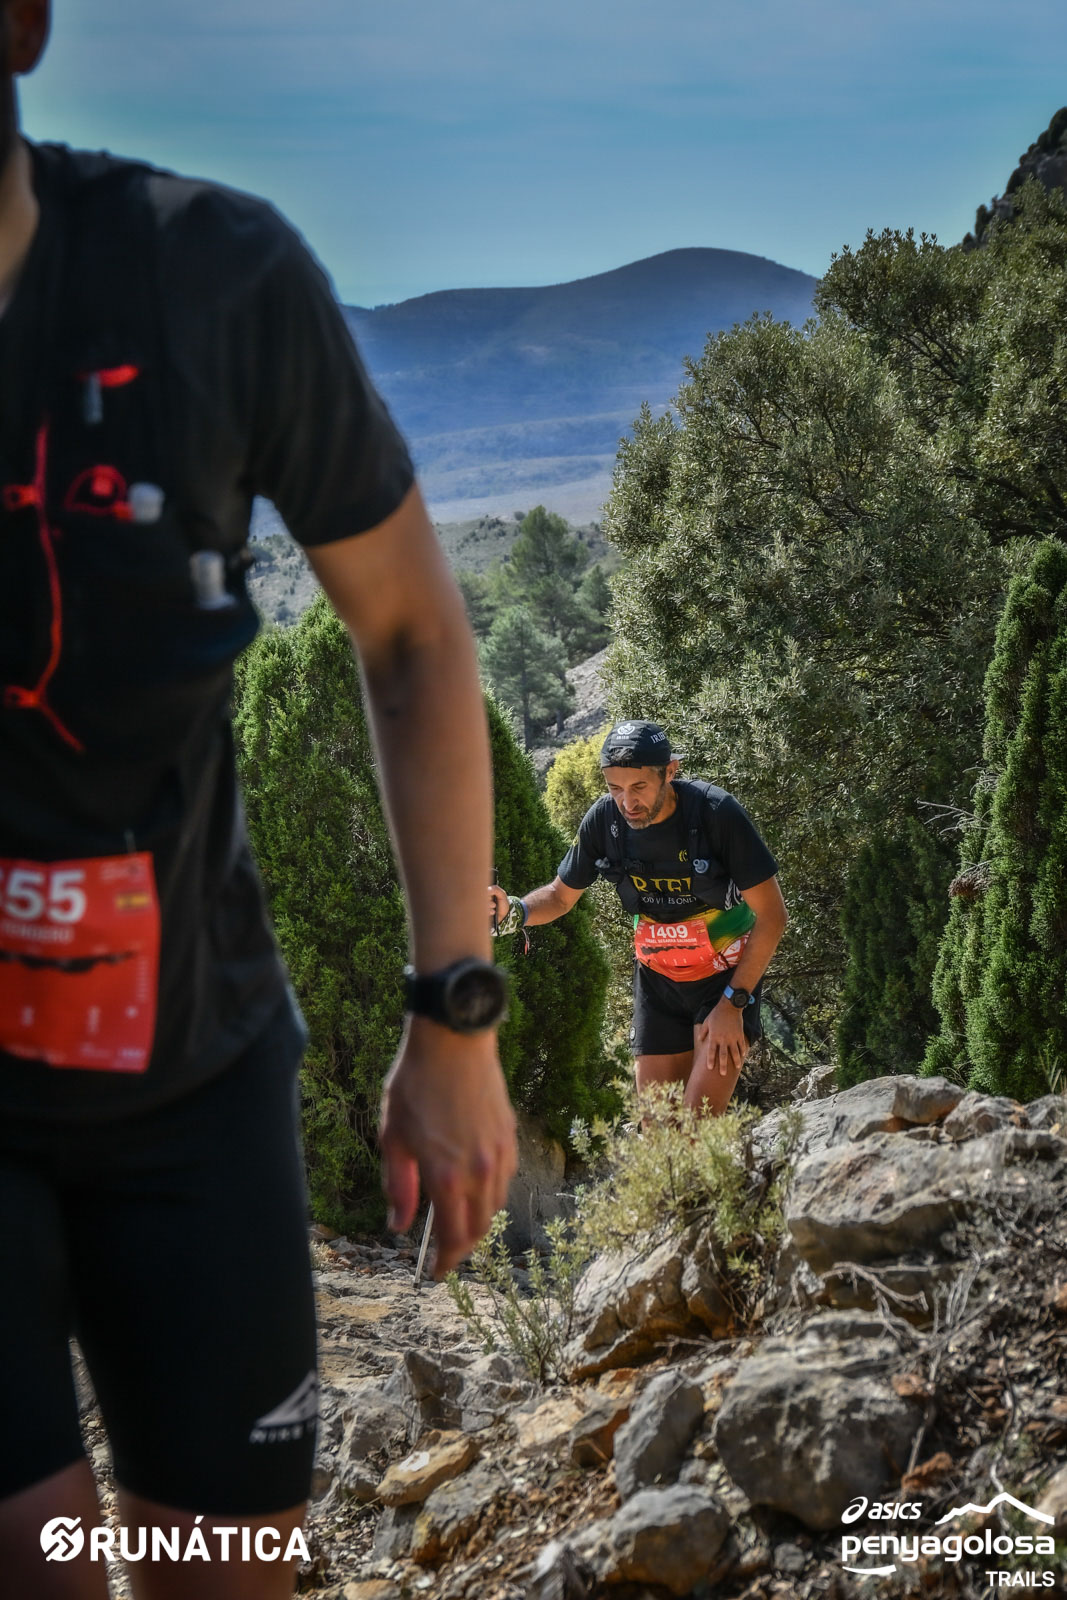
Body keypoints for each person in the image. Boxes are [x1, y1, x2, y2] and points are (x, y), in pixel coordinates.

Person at [0, 3, 517, 1596]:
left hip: (193, 1082)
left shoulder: (213, 279)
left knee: (223, 1570)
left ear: (23, 24)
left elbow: (412, 629)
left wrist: (453, 1016)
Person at [491, 720, 787, 1117]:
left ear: (670, 771)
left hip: (724, 982)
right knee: (658, 1135)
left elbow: (773, 915)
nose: (626, 802)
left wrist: (734, 1004)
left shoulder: (716, 813)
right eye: (614, 788)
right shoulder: (604, 821)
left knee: (698, 1131)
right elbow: (560, 897)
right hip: (657, 984)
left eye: (639, 787)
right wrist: (515, 912)